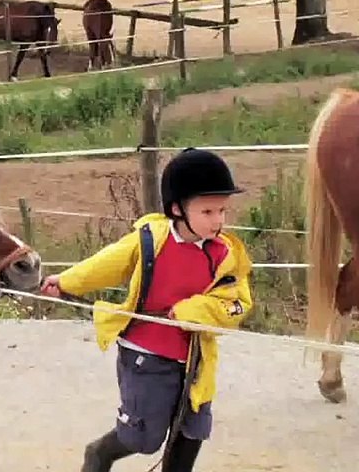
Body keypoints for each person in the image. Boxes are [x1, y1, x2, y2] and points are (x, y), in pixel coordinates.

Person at [37, 147, 253, 472]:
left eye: (223, 210)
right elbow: (105, 264)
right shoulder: (151, 240)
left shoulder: (227, 256)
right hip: (146, 356)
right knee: (143, 437)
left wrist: (194, 311)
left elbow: (237, 305)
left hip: (197, 360)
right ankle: (98, 455)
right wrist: (66, 282)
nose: (219, 220)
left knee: (189, 436)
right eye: (208, 211)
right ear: (177, 209)